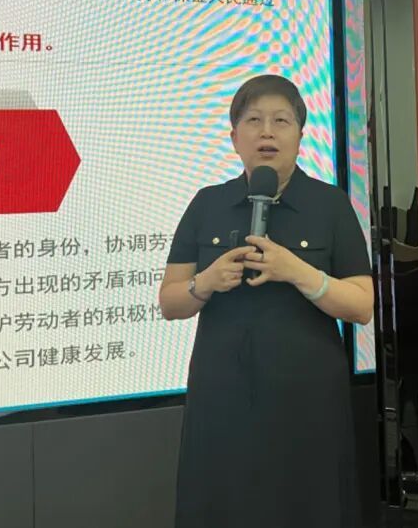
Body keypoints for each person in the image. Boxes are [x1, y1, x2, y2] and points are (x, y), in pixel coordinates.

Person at [159, 74, 374, 528]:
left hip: (308, 400)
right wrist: (206, 281)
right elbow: (170, 302)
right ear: (234, 137)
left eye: (281, 120)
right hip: (223, 397)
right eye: (254, 121)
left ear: (300, 134)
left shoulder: (330, 204)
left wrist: (297, 271)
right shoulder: (207, 204)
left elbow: (361, 305)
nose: (267, 132)